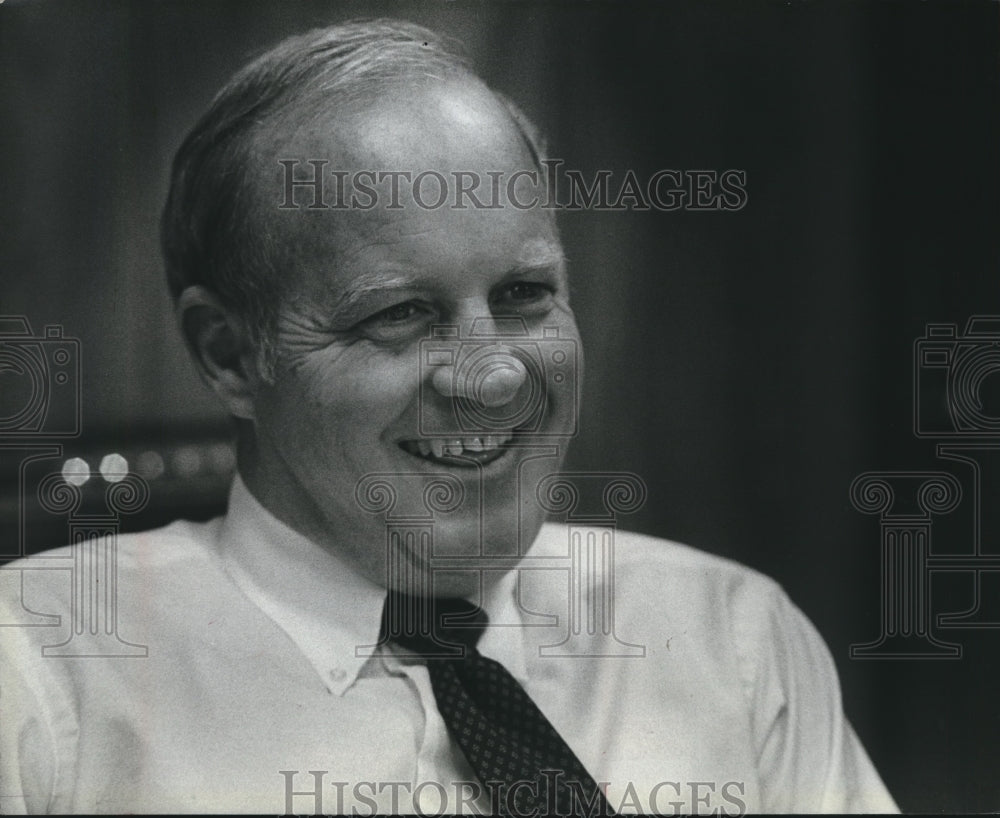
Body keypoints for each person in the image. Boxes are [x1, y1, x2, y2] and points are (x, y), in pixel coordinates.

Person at [0, 18, 898, 815]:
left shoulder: (733, 641)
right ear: (230, 354)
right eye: (400, 314)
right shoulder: (38, 679)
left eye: (523, 295)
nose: (496, 378)